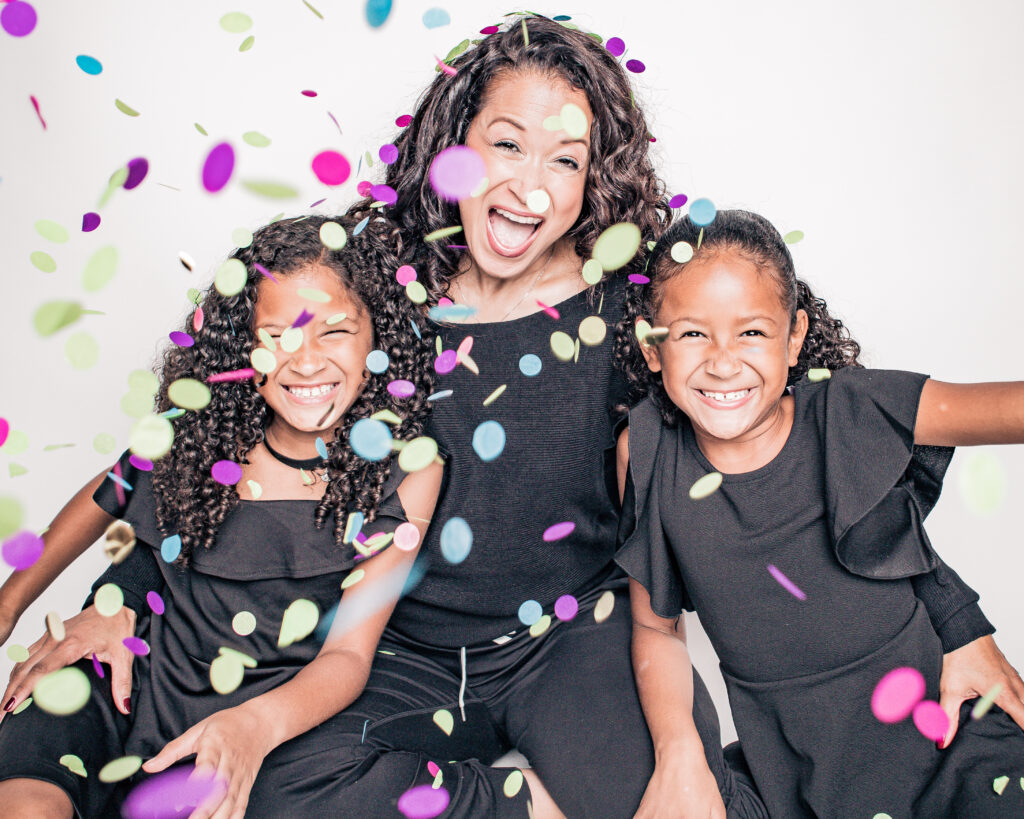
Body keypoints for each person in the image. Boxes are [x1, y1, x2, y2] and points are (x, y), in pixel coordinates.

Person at [4, 15, 1020, 817]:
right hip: (387, 651)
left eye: (566, 160)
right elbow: (236, 454)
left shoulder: (633, 311)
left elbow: (809, 444)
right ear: (453, 145)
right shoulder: (374, 297)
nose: (529, 185)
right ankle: (509, 802)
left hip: (571, 642)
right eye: (505, 143)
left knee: (683, 799)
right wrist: (126, 604)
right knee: (257, 784)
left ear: (594, 182)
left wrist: (951, 619)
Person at [0, 214, 443, 817]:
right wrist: (9, 608)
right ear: (243, 348)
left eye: (334, 332)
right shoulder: (203, 435)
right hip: (130, 678)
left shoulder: (408, 471)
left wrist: (253, 727)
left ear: (378, 340)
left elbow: (348, 656)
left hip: (248, 718)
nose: (304, 361)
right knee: (26, 798)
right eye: (277, 335)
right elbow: (104, 498)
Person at [614, 208, 1024, 817]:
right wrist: (680, 752)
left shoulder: (849, 407)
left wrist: (965, 630)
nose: (723, 362)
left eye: (751, 331)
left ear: (795, 336)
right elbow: (655, 627)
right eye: (693, 333)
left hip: (947, 741)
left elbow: (1006, 409)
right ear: (653, 347)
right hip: (791, 774)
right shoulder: (644, 451)